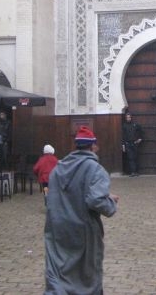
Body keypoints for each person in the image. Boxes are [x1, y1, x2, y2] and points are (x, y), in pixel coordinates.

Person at [44, 126, 119, 295]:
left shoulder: (57, 169)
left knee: (58, 272)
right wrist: (110, 202)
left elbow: (53, 198)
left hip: (58, 230)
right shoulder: (96, 170)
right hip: (83, 231)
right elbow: (96, 200)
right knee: (87, 275)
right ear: (92, 147)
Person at [121, 112, 143, 177]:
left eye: (129, 117)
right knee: (130, 158)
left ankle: (136, 171)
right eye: (127, 117)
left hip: (135, 143)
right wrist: (123, 145)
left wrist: (140, 138)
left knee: (135, 157)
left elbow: (141, 131)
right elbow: (123, 136)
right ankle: (133, 172)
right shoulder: (124, 126)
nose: (128, 118)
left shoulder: (135, 125)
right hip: (127, 143)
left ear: (131, 118)